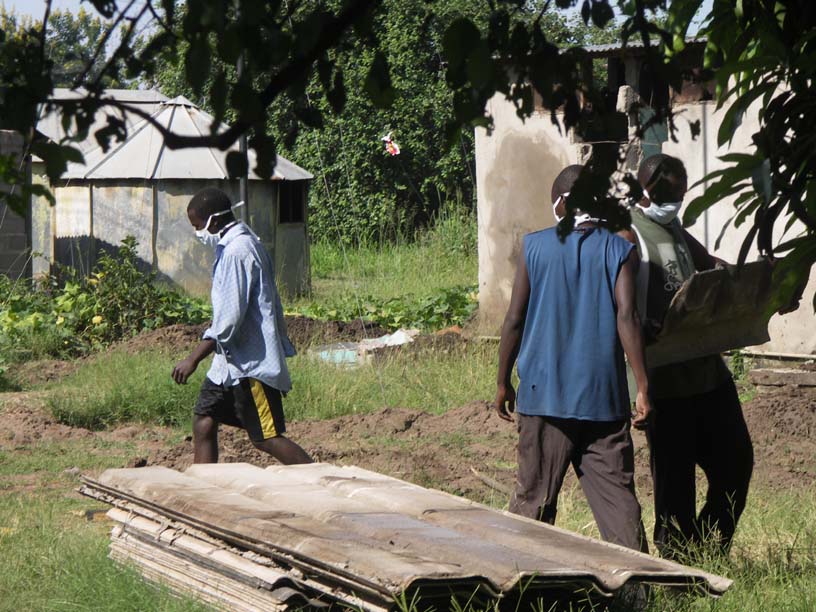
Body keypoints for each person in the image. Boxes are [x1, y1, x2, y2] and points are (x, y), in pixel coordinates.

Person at [495, 164, 652, 553]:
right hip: (603, 400)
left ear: (562, 204)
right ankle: (637, 593)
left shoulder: (534, 247)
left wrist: (502, 381)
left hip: (543, 398)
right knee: (619, 506)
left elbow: (514, 319)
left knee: (532, 501)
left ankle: (520, 584)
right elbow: (628, 317)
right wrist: (644, 387)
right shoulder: (621, 249)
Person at [620, 153, 753, 558]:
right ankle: (678, 562)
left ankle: (709, 549)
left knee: (736, 463)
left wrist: (754, 289)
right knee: (675, 482)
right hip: (664, 381)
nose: (677, 202)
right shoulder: (628, 234)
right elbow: (621, 307)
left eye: (680, 194)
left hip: (707, 372)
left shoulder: (672, 226)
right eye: (669, 195)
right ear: (646, 191)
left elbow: (710, 264)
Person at [172, 187, 312, 465]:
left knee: (265, 438)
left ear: (213, 221)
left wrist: (192, 359)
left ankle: (321, 479)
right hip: (227, 364)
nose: (197, 232)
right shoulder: (233, 245)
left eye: (198, 226)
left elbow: (228, 322)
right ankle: (204, 488)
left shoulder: (238, 251)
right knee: (204, 421)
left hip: (251, 363)